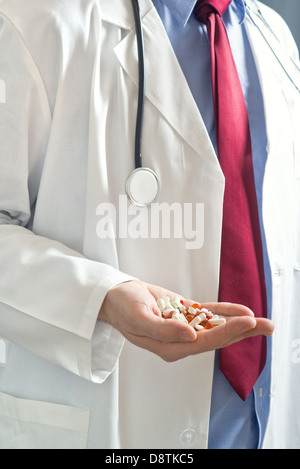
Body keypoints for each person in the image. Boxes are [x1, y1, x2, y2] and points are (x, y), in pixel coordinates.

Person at [0, 0, 299, 449]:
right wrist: (100, 296)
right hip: (110, 427)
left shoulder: (271, 32)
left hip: (264, 425)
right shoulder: (35, 19)